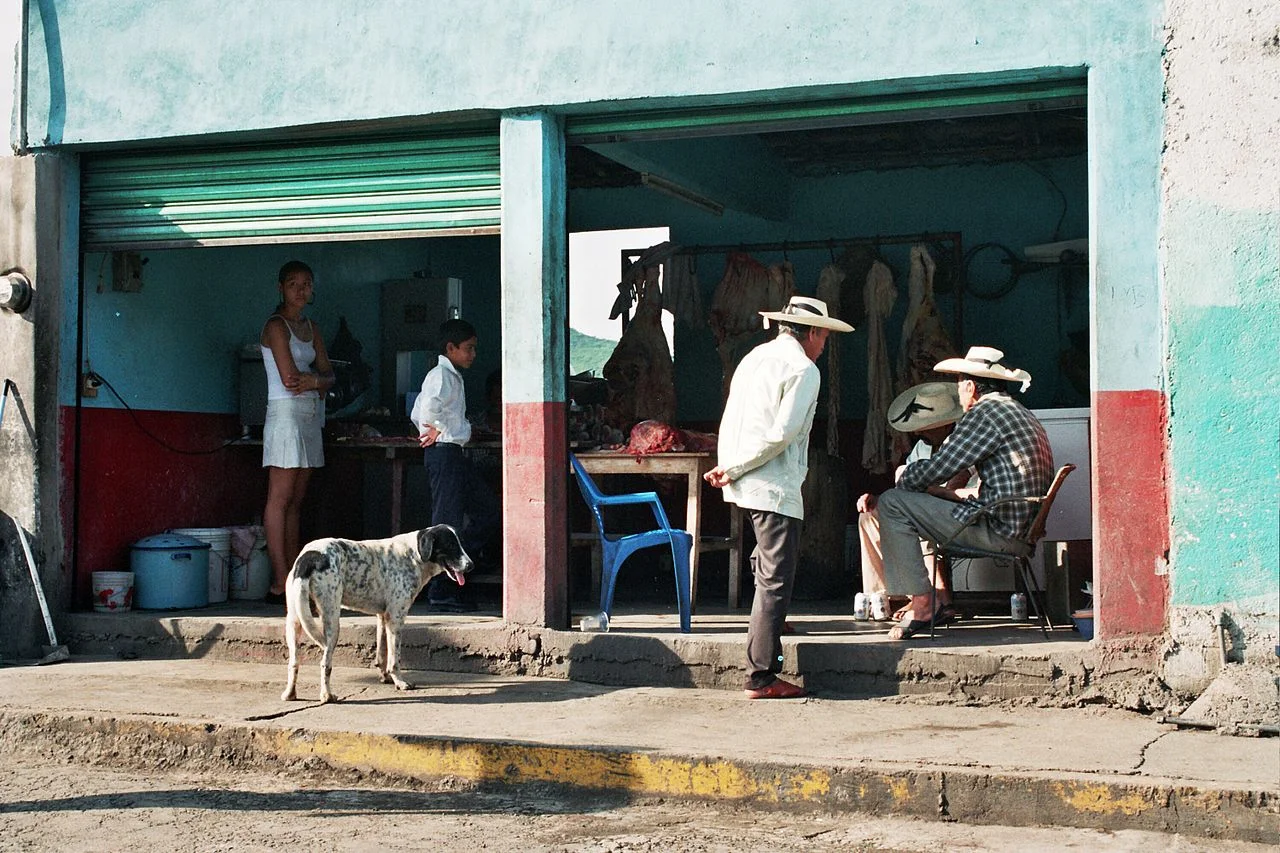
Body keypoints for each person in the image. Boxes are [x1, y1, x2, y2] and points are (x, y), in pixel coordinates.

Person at [704, 296, 853, 699]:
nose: (824, 345)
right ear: (815, 332)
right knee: (776, 573)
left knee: (765, 559)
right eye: (824, 337)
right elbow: (782, 434)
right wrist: (734, 468)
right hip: (770, 480)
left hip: (744, 473)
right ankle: (761, 675)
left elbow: (732, 415)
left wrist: (730, 465)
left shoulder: (755, 357)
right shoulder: (804, 369)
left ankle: (769, 622)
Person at [877, 346, 1053, 640]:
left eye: (959, 384)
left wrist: (904, 476)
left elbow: (941, 467)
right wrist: (943, 493)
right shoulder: (1015, 410)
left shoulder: (986, 413)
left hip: (1000, 531)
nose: (958, 393)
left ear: (970, 387)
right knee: (917, 500)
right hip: (1017, 525)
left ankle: (923, 605)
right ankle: (929, 599)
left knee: (893, 503)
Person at [855, 381, 975, 621]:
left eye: (928, 426)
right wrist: (878, 499)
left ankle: (937, 600)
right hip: (926, 508)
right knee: (868, 517)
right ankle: (888, 596)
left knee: (913, 520)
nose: (921, 431)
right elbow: (905, 487)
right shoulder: (922, 447)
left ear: (946, 423)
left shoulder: (964, 443)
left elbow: (954, 486)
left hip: (962, 513)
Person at [410, 318, 500, 611]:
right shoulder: (439, 375)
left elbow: (420, 410)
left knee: (488, 510)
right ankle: (440, 589)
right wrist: (433, 428)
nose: (473, 354)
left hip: (454, 452)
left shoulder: (451, 375)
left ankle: (460, 564)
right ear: (451, 348)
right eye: (469, 349)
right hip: (443, 452)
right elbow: (424, 410)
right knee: (446, 523)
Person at [260, 260, 334, 605]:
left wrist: (316, 382)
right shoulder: (276, 326)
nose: (301, 290)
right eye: (293, 284)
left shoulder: (311, 326)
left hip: (310, 416)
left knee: (296, 502)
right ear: (280, 288)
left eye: (307, 284)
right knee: (280, 498)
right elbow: (291, 380)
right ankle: (279, 581)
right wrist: (316, 382)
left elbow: (328, 375)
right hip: (286, 415)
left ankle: (294, 579)